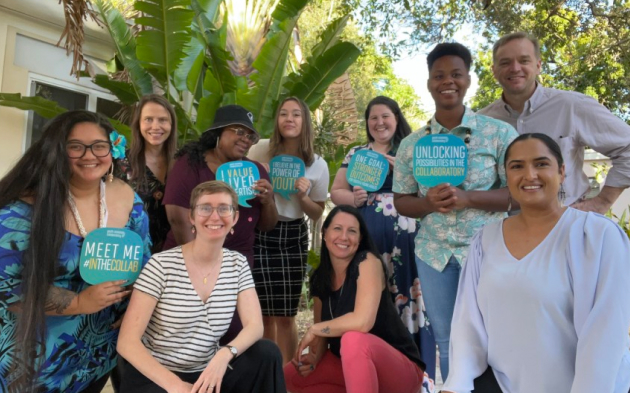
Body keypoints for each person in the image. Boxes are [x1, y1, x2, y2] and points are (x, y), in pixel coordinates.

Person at [442, 133, 630, 393]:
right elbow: (468, 323)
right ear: (506, 177)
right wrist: (456, 384)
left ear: (562, 172)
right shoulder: (485, 240)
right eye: (517, 166)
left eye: (541, 164)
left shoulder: (597, 235)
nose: (529, 175)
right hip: (500, 385)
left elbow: (606, 332)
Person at [0, 110, 151, 392]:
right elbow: (7, 287)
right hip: (34, 365)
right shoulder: (21, 211)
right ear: (56, 151)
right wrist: (78, 303)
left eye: (99, 145)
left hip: (97, 356)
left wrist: (135, 305)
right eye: (75, 146)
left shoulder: (130, 200)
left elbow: (144, 262)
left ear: (112, 149)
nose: (89, 155)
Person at [392, 42, 518, 380]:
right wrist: (427, 204)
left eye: (456, 74)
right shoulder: (412, 144)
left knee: (497, 339)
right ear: (430, 83)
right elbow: (402, 200)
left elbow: (517, 194)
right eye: (439, 76)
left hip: (488, 253)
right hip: (435, 257)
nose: (448, 81)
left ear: (469, 80)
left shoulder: (499, 134)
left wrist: (469, 198)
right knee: (448, 341)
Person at [117, 180, 286, 393]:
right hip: (158, 376)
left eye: (224, 208)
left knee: (266, 353)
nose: (215, 216)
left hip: (207, 372)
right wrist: (176, 386)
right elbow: (126, 342)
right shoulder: (161, 265)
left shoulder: (237, 263)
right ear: (192, 217)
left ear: (234, 218)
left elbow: (255, 326)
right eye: (205, 208)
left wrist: (225, 354)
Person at [330, 95, 436, 378]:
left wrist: (402, 171)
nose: (379, 123)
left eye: (385, 116)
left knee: (408, 294)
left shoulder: (410, 150)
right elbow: (336, 191)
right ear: (367, 123)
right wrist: (353, 197)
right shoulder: (357, 154)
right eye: (373, 118)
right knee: (370, 294)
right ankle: (371, 367)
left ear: (396, 118)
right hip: (368, 237)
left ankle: (415, 372)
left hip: (407, 238)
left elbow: (429, 191)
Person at [479, 31, 630, 214]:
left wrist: (602, 201)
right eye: (505, 62)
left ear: (538, 66)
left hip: (566, 226)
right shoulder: (481, 122)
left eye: (524, 60)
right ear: (494, 70)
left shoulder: (572, 106)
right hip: (504, 232)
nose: (515, 68)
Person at [163, 104, 278, 343]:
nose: (245, 139)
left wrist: (268, 201)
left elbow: (267, 225)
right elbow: (177, 218)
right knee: (188, 338)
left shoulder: (254, 171)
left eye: (250, 136)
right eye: (238, 131)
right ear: (218, 132)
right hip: (187, 265)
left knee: (234, 337)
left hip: (237, 267)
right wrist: (202, 269)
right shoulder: (191, 164)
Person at [283, 205, 426, 393]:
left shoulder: (367, 262)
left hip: (399, 372)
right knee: (289, 375)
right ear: (325, 233)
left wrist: (315, 329)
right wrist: (314, 360)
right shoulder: (320, 277)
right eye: (337, 228)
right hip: (350, 367)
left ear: (359, 239)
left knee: (353, 339)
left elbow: (362, 322)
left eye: (352, 231)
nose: (344, 237)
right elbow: (323, 336)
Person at [247, 97, 329, 364]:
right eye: (283, 114)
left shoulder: (317, 163)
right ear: (277, 121)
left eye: (296, 114)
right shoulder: (258, 151)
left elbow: (316, 212)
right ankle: (267, 377)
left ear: (304, 122)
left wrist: (303, 196)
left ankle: (286, 377)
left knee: (285, 314)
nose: (289, 119)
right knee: (262, 313)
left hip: (293, 235)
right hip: (259, 231)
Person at [116, 94, 178, 253]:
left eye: (163, 120)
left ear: (171, 124)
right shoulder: (122, 162)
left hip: (174, 255)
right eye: (148, 119)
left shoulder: (183, 163)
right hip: (131, 255)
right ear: (138, 124)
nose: (156, 126)